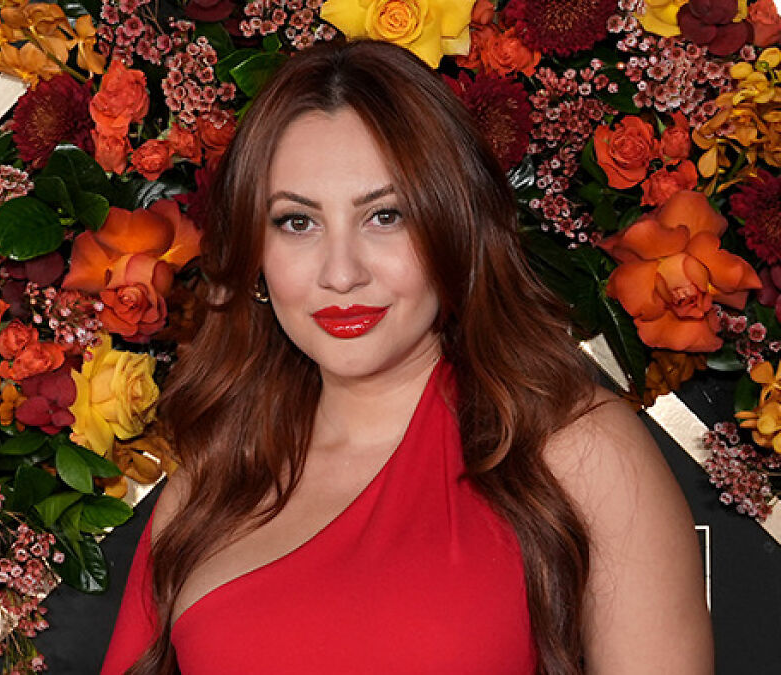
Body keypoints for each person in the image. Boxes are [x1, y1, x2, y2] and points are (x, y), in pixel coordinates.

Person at [101, 38, 712, 675]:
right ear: (255, 251)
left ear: (454, 227)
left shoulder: (578, 450)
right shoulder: (211, 480)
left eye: (385, 215)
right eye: (297, 223)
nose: (341, 274)